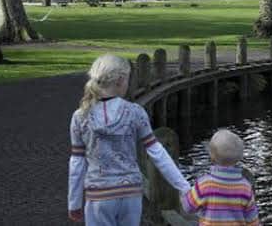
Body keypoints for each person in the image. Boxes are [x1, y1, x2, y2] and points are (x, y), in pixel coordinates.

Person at [68, 55, 190, 225]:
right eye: (127, 79)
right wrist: (184, 187)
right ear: (120, 80)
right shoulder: (135, 113)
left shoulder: (80, 116)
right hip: (130, 194)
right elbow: (157, 153)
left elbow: (77, 162)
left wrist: (74, 202)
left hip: (99, 195)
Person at [181, 129, 260, 225]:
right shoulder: (245, 187)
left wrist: (185, 193)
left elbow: (187, 207)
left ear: (212, 156)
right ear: (239, 158)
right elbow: (253, 221)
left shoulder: (204, 184)